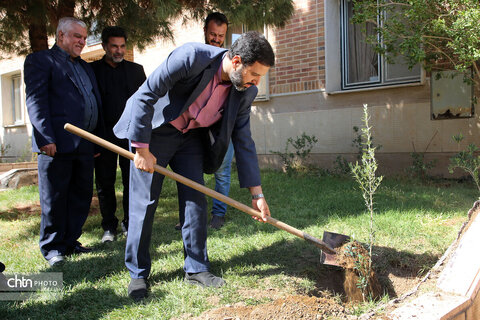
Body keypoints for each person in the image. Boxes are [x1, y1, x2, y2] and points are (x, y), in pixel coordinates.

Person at [113, 31, 274, 301]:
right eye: (254, 74)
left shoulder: (246, 91)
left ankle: (197, 268)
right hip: (156, 131)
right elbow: (146, 95)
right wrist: (141, 148)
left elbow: (243, 139)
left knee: (195, 198)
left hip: (190, 137)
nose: (256, 82)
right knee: (144, 201)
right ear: (236, 62)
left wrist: (257, 194)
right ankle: (138, 273)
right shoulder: (191, 58)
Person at [24, 17, 104, 267]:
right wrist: (45, 138)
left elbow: (93, 102)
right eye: (77, 36)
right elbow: (36, 101)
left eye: (84, 37)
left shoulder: (85, 66)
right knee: (55, 197)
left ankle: (70, 241)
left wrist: (97, 141)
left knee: (80, 196)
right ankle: (52, 247)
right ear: (60, 36)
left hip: (85, 143)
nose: (82, 41)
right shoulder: (40, 61)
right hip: (56, 144)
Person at [174, 12, 233, 231]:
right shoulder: (197, 58)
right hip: (194, 128)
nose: (216, 39)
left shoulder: (231, 61)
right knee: (189, 172)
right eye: (212, 34)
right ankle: (188, 215)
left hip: (220, 128)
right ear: (205, 32)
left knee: (222, 171)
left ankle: (218, 214)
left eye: (220, 35)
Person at [90, 26, 146, 243]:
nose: (119, 50)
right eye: (114, 46)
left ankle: (129, 223)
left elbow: (144, 105)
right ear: (105, 46)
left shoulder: (136, 71)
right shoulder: (92, 71)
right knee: (105, 182)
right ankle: (109, 227)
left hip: (130, 137)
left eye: (122, 46)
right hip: (102, 136)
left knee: (131, 180)